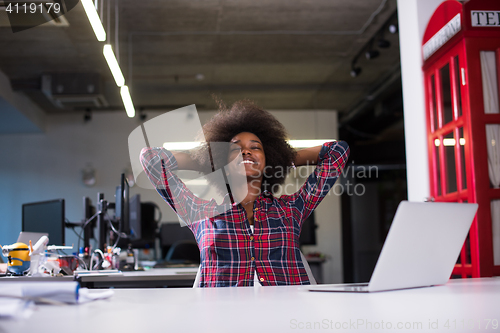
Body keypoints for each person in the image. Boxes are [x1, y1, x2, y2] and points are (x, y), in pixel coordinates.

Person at [140, 100, 349, 287]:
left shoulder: (291, 209)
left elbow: (338, 151)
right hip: (223, 319)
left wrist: (282, 158)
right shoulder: (201, 213)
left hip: (286, 315)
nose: (246, 151)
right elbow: (151, 158)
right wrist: (207, 161)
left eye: (255, 148)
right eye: (235, 149)